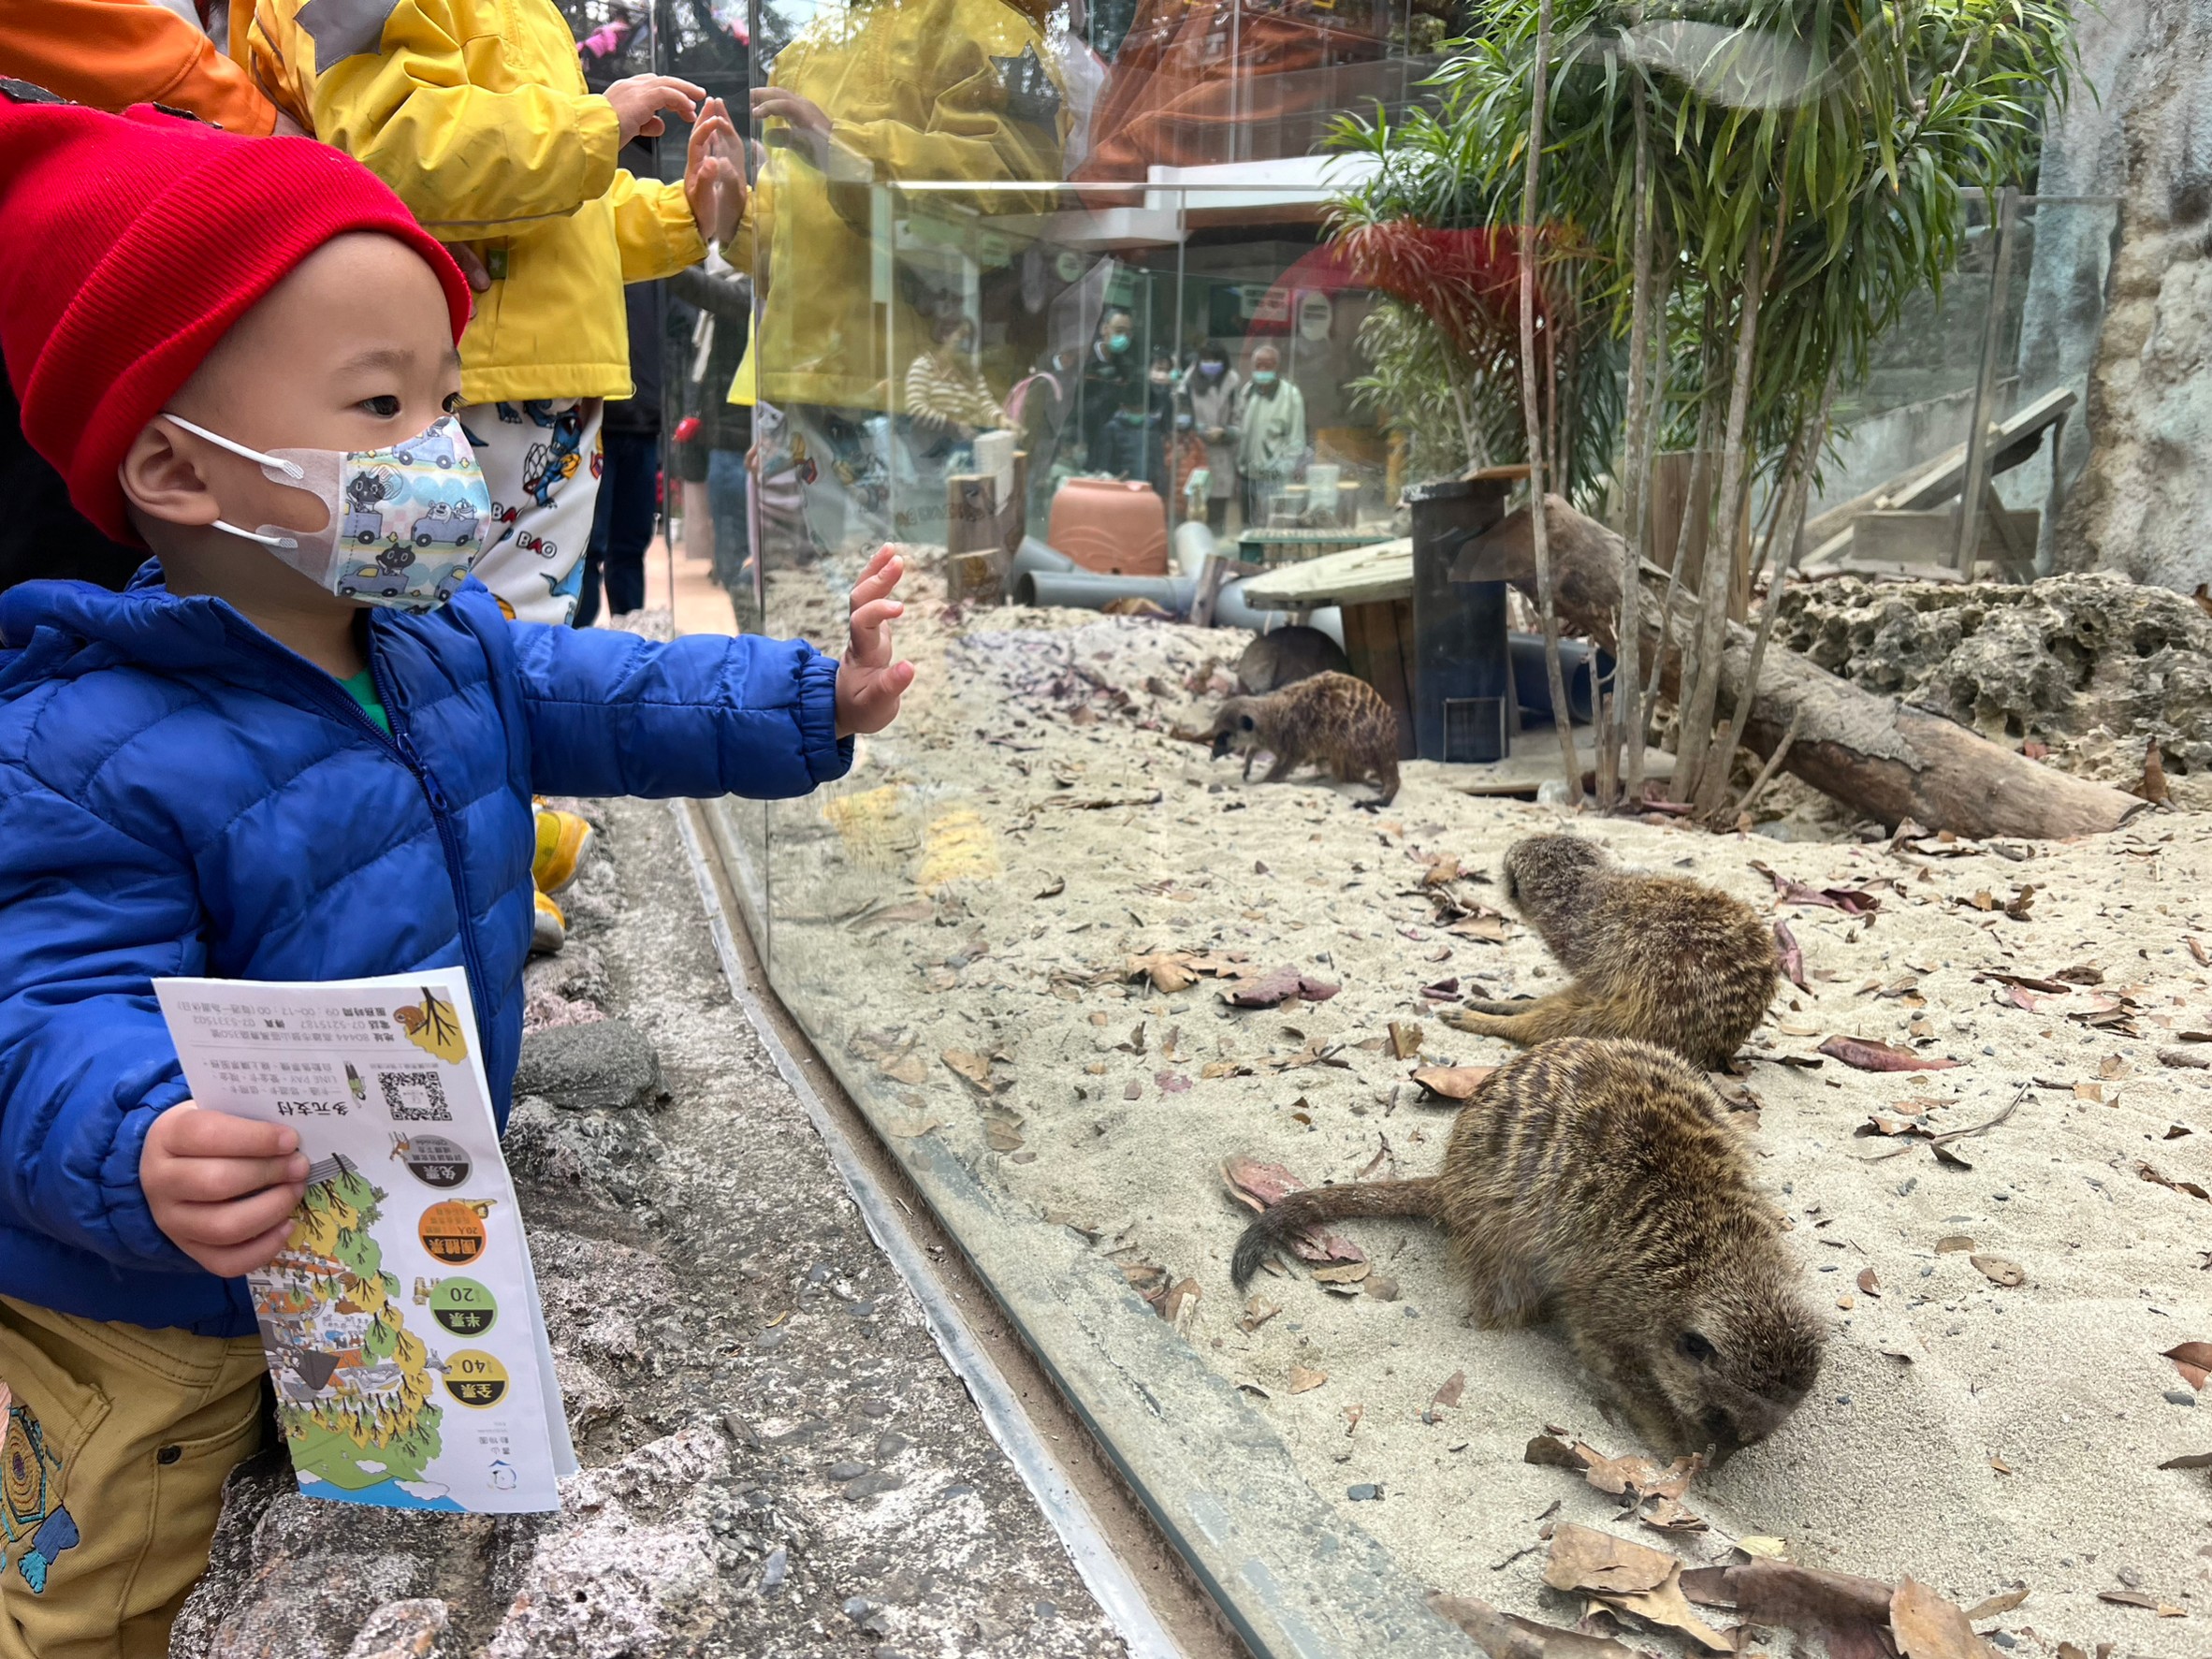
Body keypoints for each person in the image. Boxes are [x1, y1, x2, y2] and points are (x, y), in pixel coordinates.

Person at [0, 95, 911, 1652]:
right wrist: (141, 1139)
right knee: (100, 1593)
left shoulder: (436, 642)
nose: (438, 457)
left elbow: (608, 697)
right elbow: (35, 1002)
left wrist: (803, 697)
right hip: (148, 1314)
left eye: (442, 402)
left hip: (365, 1254)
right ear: (176, 465)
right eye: (378, 409)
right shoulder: (85, 744)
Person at [239, 0, 744, 623]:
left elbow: (569, 215)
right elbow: (392, 146)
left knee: (507, 656)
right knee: (423, 647)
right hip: (450, 395)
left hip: (544, 394)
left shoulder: (532, 13)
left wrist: (685, 213)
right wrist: (595, 125)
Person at [575, 271, 665, 627]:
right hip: (591, 420)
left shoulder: (656, 267)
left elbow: (676, 335)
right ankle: (575, 643)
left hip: (643, 421)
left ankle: (629, 636)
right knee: (587, 547)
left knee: (630, 546)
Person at [906, 314, 1007, 468]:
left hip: (969, 438)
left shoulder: (969, 371)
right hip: (937, 443)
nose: (966, 344)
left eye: (969, 339)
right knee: (970, 459)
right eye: (962, 337)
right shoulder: (923, 366)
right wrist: (955, 425)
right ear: (944, 336)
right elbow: (916, 409)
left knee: (1007, 451)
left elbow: (985, 402)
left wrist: (1001, 419)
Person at [1236, 342, 1305, 527]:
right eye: (1258, 365)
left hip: (1274, 479)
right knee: (1249, 527)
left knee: (1272, 527)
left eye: (1268, 365)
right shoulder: (1248, 392)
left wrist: (1283, 470)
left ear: (1278, 367)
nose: (1262, 369)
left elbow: (1297, 440)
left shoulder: (1291, 395)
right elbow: (1240, 430)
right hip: (1247, 476)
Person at [1080, 307, 1145, 478]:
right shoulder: (1083, 360)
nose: (1124, 338)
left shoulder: (1127, 366)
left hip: (1115, 448)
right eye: (1119, 331)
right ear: (1104, 329)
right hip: (1084, 442)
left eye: (1128, 333)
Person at [1182, 342, 1241, 533]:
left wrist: (1224, 432)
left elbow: (1240, 423)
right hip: (1194, 454)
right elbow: (1179, 419)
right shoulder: (1188, 382)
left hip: (1222, 456)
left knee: (1215, 519)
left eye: (1216, 360)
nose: (1211, 364)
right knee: (1193, 515)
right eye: (1206, 360)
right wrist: (1199, 430)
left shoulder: (1232, 382)